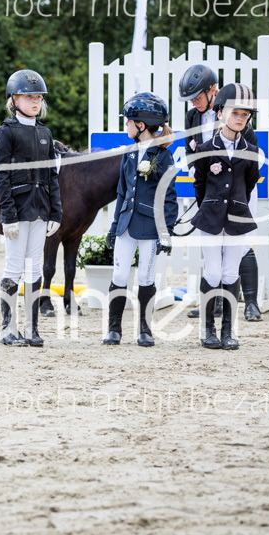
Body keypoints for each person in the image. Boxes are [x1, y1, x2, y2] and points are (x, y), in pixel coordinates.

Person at [179, 65, 262, 322]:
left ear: (212, 90)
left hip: (239, 186)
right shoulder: (192, 117)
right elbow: (192, 150)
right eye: (191, 99)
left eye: (198, 97)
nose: (194, 102)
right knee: (214, 244)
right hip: (212, 187)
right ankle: (214, 303)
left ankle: (251, 302)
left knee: (242, 243)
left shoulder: (235, 116)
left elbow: (249, 159)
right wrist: (202, 178)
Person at [0, 70, 62, 348]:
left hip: (40, 209)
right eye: (28, 96)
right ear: (14, 100)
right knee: (13, 264)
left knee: (34, 268)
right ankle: (8, 328)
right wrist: (7, 214)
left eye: (38, 97)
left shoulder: (45, 132)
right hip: (17, 210)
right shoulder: (5, 132)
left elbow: (52, 175)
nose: (35, 101)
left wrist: (55, 212)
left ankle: (32, 328)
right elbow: (1, 175)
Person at [104, 93, 178, 347]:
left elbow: (168, 197)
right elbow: (122, 192)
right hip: (126, 224)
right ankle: (114, 329)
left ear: (141, 125)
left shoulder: (163, 156)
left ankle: (145, 329)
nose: (125, 126)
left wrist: (165, 233)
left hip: (149, 226)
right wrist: (114, 226)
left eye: (128, 122)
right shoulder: (129, 153)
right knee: (120, 274)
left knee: (146, 278)